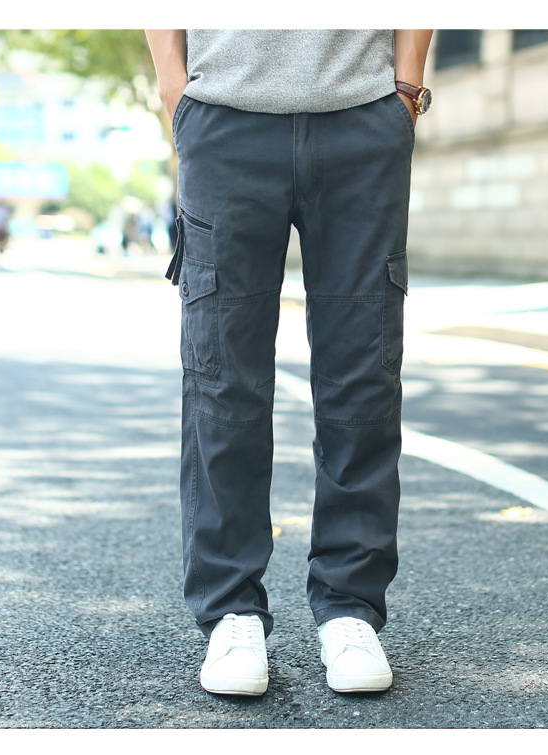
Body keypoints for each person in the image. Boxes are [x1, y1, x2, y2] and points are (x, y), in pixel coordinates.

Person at [145, 29, 432, 696]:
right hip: (224, 116)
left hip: (363, 115)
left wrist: (406, 87)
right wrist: (174, 87)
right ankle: (231, 612)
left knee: (364, 377)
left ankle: (350, 608)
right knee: (223, 379)